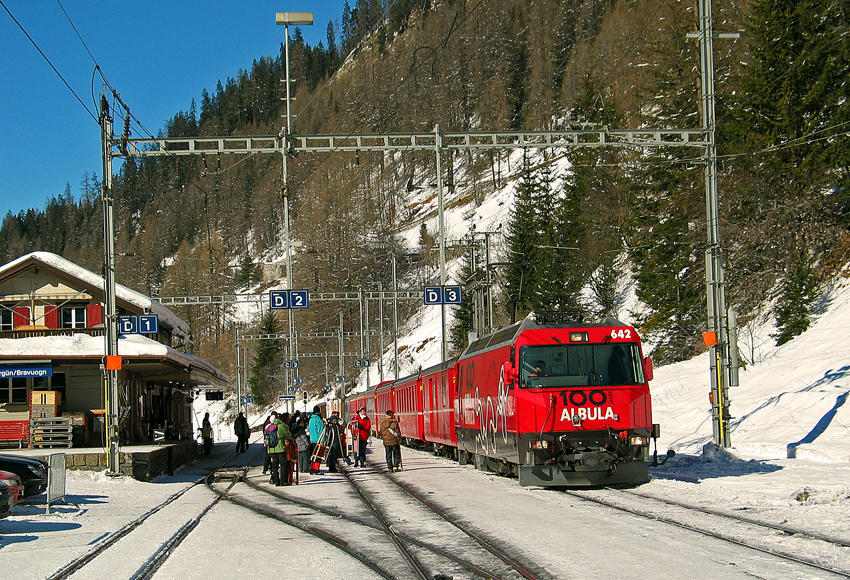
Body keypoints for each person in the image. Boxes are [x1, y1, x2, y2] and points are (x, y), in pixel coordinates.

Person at [267, 413, 293, 486]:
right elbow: (288, 435)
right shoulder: (281, 426)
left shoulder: (269, 426)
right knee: (283, 464)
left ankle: (276, 481)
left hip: (271, 449)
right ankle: (283, 481)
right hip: (280, 448)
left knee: (274, 465)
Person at [308, 406, 326, 474]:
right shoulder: (319, 420)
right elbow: (321, 431)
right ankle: (316, 469)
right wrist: (323, 440)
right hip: (318, 440)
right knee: (318, 455)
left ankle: (311, 468)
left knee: (312, 455)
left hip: (312, 440)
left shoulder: (311, 420)